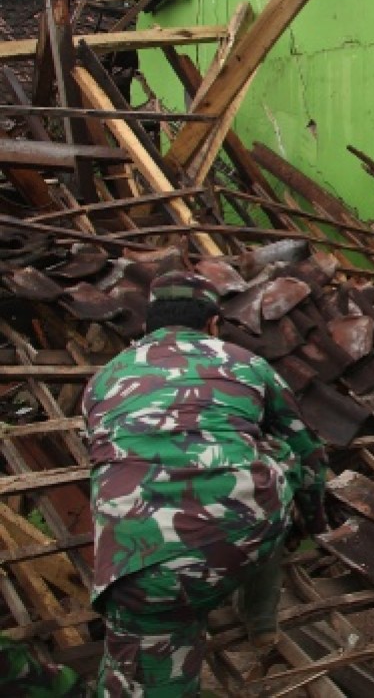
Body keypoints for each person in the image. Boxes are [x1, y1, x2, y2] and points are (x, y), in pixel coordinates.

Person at [82, 271, 328, 695]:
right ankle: (260, 618)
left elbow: (101, 454)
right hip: (243, 535)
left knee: (146, 671)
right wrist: (313, 522)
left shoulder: (104, 379)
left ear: (147, 325)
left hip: (138, 564)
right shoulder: (245, 362)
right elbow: (307, 452)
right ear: (213, 322)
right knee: (274, 457)